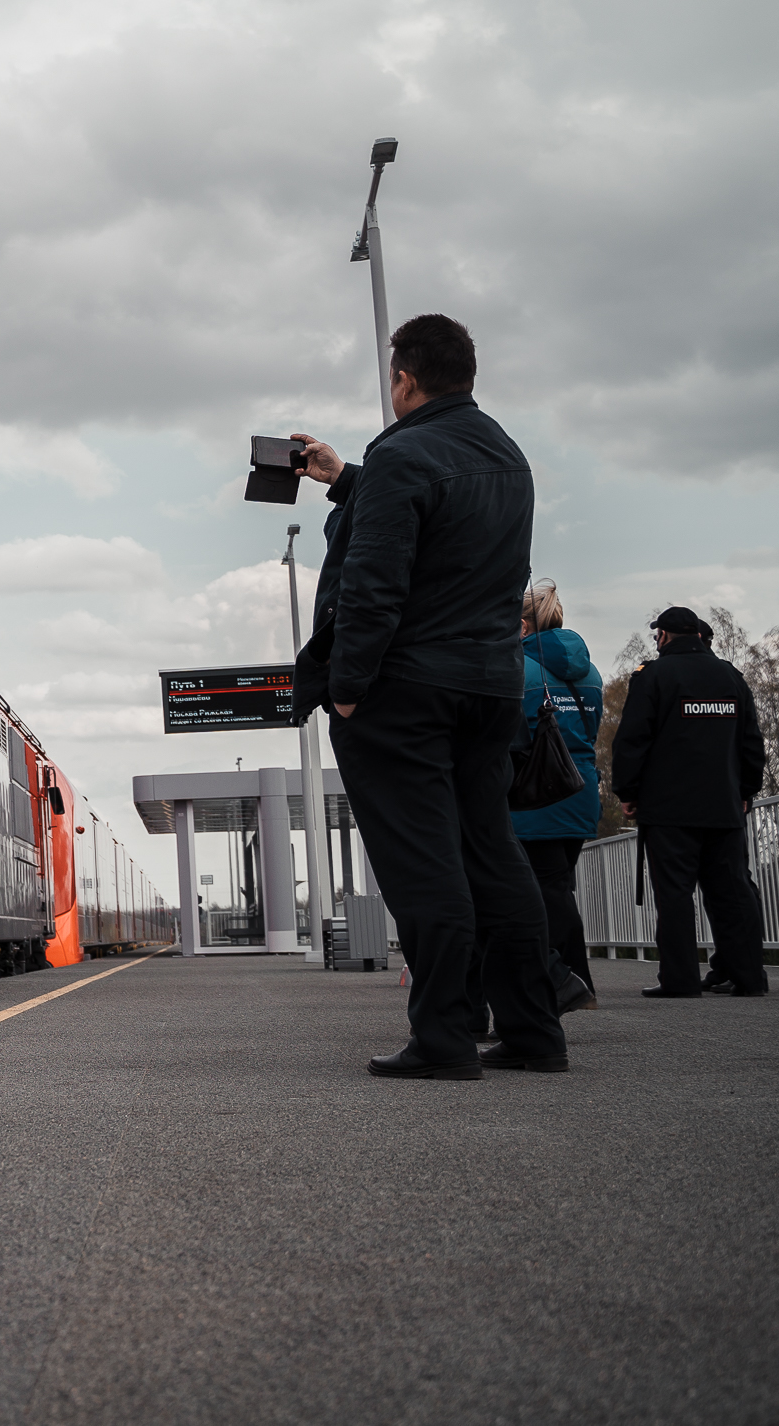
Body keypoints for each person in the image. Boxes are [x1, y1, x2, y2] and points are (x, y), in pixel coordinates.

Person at [291, 314, 568, 1078]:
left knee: (423, 865)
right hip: (488, 686)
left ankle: (444, 1038)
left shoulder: (404, 455)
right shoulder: (506, 456)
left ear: (405, 380)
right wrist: (345, 477)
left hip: (406, 691)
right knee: (493, 855)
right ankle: (536, 1033)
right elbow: (448, 535)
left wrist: (347, 690)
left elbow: (374, 584)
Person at [611, 606, 769, 997]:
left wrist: (628, 793)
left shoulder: (653, 676)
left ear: (663, 636)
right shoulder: (730, 676)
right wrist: (746, 791)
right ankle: (750, 978)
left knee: (675, 895)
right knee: (732, 892)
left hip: (669, 809)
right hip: (725, 805)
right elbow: (752, 742)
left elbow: (633, 738)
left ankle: (680, 981)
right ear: (698, 636)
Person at [511, 581, 604, 1003]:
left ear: (524, 625)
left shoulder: (519, 670)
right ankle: (574, 978)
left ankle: (567, 981)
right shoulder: (589, 672)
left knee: (543, 891)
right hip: (579, 785)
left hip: (537, 792)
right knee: (559, 885)